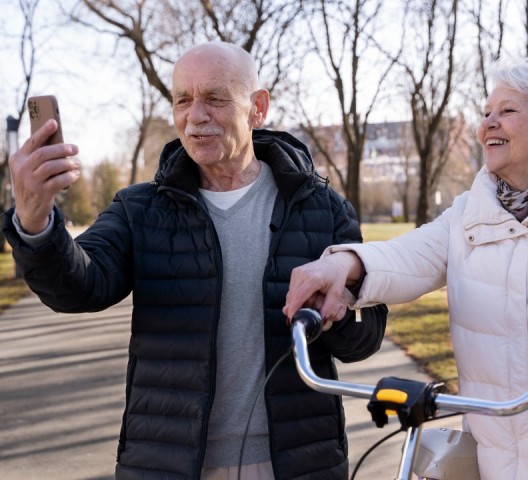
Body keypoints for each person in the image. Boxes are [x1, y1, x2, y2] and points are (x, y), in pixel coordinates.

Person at [3, 41, 387, 480]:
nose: (195, 115)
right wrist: (35, 221)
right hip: (169, 463)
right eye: (182, 99)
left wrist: (338, 314)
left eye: (215, 98)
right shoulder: (140, 209)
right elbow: (78, 288)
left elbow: (367, 335)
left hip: (297, 463)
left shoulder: (322, 208)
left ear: (257, 108)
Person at [283, 58, 528, 480]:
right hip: (497, 462)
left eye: (507, 111)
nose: (488, 122)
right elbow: (409, 256)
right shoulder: (467, 216)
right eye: (486, 113)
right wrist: (346, 263)